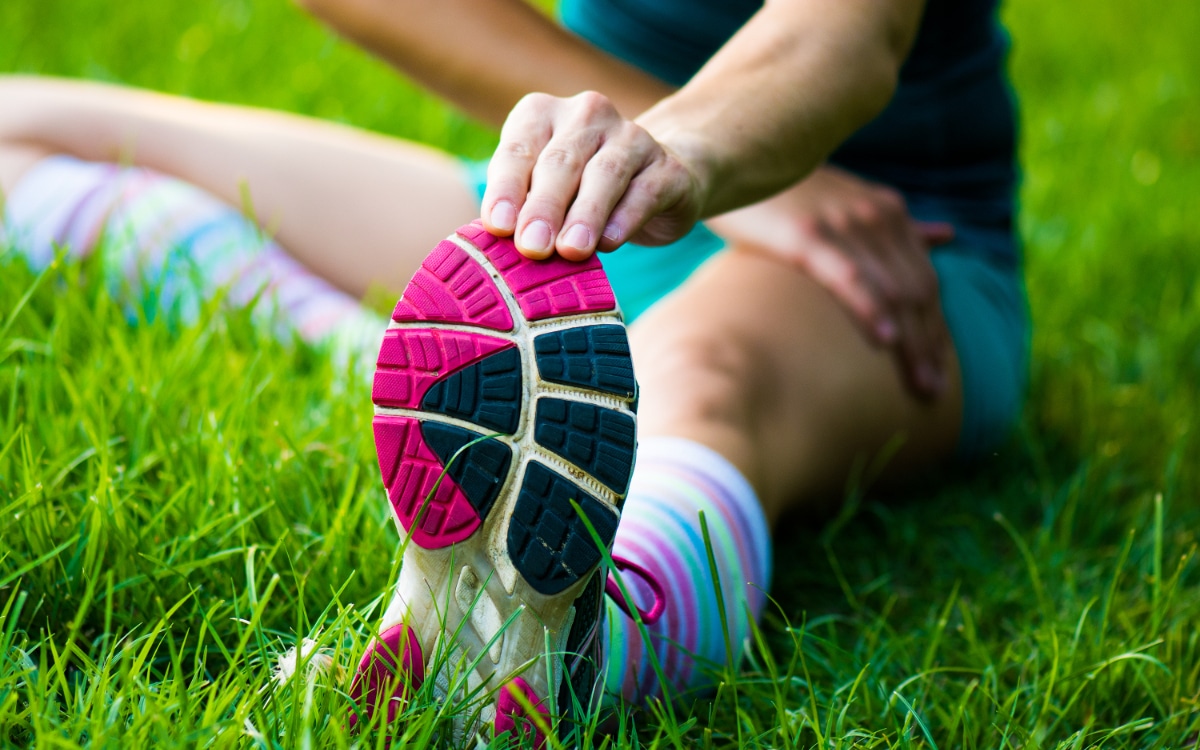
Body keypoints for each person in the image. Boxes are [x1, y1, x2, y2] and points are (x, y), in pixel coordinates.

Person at [0, 0, 1028, 741]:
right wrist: (629, 153)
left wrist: (693, 155)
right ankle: (412, 375)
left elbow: (848, 33)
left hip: (872, 251)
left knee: (703, 378)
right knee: (17, 123)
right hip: (574, 225)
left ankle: (571, 655)